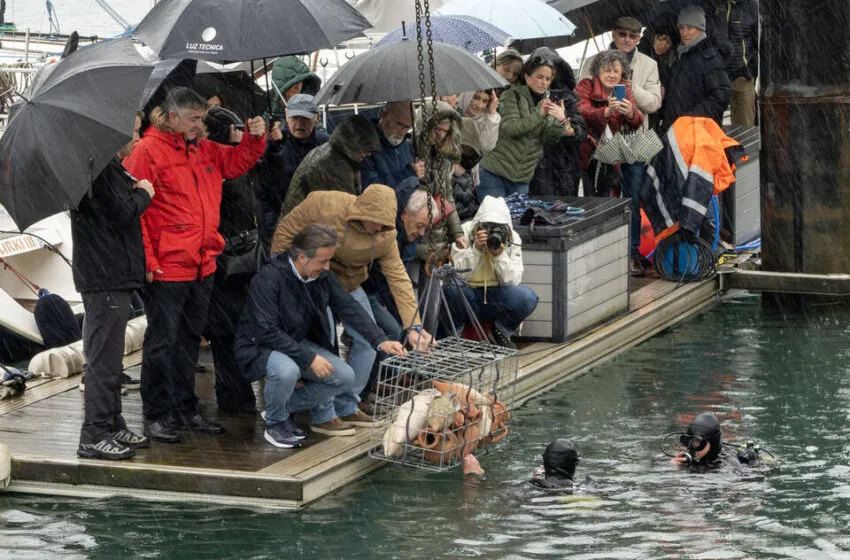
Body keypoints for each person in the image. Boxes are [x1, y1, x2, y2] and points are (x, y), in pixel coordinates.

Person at [123, 87, 267, 443]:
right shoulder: (147, 151)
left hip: (203, 262)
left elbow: (237, 162)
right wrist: (148, 259)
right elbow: (136, 213)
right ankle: (157, 413)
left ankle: (184, 407)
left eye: (201, 118)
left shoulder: (203, 148)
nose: (200, 124)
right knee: (162, 342)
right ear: (173, 117)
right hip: (167, 265)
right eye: (194, 119)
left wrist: (254, 138)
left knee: (188, 339)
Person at [271, 185, 434, 429]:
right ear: (362, 211)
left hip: (350, 284)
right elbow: (287, 229)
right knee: (326, 341)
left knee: (370, 340)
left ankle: (347, 405)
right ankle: (323, 414)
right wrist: (281, 271)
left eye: (384, 224)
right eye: (375, 222)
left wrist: (414, 326)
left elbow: (399, 279)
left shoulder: (386, 237)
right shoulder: (325, 204)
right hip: (314, 281)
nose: (378, 228)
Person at [234, 224, 406, 447]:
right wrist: (308, 358)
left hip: (295, 342)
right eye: (323, 261)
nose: (327, 267)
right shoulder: (269, 277)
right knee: (287, 370)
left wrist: (380, 340)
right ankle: (275, 424)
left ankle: (281, 410)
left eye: (329, 261)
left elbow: (348, 306)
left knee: (344, 376)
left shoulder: (321, 276)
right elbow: (266, 330)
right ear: (302, 258)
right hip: (259, 345)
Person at [73, 114, 154, 460]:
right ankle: (93, 433)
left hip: (112, 274)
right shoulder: (99, 171)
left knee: (111, 358)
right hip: (103, 276)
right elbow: (121, 213)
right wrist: (144, 194)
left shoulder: (109, 168)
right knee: (103, 360)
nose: (137, 138)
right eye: (133, 132)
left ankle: (112, 422)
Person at [201, 106, 283, 413]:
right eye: (235, 128)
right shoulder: (220, 167)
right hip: (227, 261)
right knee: (226, 331)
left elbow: (270, 187)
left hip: (242, 259)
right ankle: (233, 394)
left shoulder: (239, 165)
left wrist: (273, 149)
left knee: (237, 328)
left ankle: (237, 392)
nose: (240, 133)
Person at [442, 196, 538, 349]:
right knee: (450, 288)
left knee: (527, 297)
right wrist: (475, 251)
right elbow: (455, 274)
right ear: (478, 223)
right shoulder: (464, 232)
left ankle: (499, 332)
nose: (492, 232)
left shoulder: (512, 238)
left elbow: (513, 280)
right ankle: (455, 337)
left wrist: (500, 256)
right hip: (468, 294)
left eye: (497, 228)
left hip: (496, 296)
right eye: (487, 226)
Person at [478, 51, 567, 200]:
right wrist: (539, 114)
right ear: (527, 77)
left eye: (548, 79)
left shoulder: (549, 101)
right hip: (494, 171)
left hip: (521, 177)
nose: (544, 82)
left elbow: (547, 139)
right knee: (494, 214)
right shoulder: (512, 95)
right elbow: (511, 128)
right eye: (539, 77)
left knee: (517, 216)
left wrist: (560, 121)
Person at [256, 94, 329, 249]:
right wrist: (271, 150)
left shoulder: (326, 144)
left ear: (317, 117)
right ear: (286, 115)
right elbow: (262, 188)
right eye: (294, 117)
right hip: (278, 221)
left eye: (305, 118)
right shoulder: (273, 143)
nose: (299, 124)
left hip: (315, 221)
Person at [576, 50, 644, 203]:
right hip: (592, 153)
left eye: (616, 71)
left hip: (619, 153)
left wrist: (630, 113)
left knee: (621, 199)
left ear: (622, 73)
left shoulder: (623, 88)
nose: (612, 75)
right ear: (597, 71)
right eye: (607, 70)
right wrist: (606, 112)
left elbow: (637, 121)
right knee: (595, 201)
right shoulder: (585, 86)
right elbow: (581, 111)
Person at [280, 114, 381, 216]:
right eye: (365, 147)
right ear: (353, 143)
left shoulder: (332, 154)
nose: (369, 153)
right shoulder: (333, 164)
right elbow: (349, 212)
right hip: (303, 223)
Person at [659, 5, 732, 132]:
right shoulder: (681, 55)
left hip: (698, 132)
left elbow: (721, 96)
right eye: (681, 28)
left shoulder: (710, 57)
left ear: (700, 28)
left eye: (689, 27)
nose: (684, 32)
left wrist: (690, 118)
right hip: (678, 130)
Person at [528, 47, 588, 198]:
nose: (544, 80)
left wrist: (568, 127)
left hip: (565, 166)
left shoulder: (567, 96)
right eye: (539, 75)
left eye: (549, 75)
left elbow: (581, 129)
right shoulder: (523, 97)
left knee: (566, 207)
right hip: (534, 166)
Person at [413, 101, 467, 263]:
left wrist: (457, 232)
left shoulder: (443, 158)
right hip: (414, 235)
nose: (441, 135)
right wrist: (412, 175)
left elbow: (447, 197)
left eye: (446, 131)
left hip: (437, 238)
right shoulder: (410, 152)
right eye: (438, 129)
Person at [710, 0, 758, 126]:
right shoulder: (715, 5)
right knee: (711, 124)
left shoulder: (751, 6)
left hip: (742, 76)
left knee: (744, 124)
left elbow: (758, 42)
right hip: (717, 76)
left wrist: (750, 69)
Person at [360, 101, 421, 192]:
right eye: (399, 125)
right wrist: (407, 173)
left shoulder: (405, 145)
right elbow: (371, 190)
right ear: (384, 115)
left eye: (407, 128)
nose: (402, 132)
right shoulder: (365, 145)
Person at [269, 55, 322, 122]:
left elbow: (318, 127)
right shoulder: (266, 107)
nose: (298, 86)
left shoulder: (309, 105)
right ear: (282, 86)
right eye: (293, 83)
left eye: (300, 81)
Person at [451, 118, 483, 221]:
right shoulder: (442, 165)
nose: (466, 151)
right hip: (453, 221)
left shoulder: (470, 164)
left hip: (469, 218)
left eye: (469, 150)